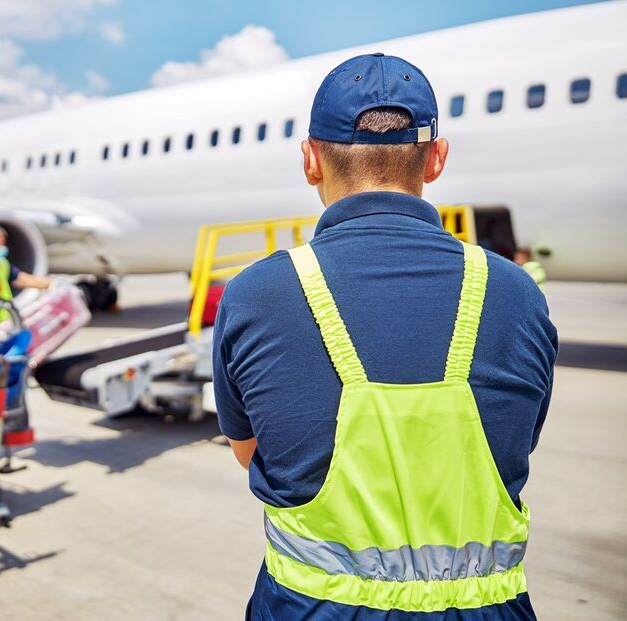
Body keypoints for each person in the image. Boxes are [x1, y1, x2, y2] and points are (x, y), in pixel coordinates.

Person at [213, 53, 557, 620]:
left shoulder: (256, 293)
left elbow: (249, 452)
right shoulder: (515, 292)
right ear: (437, 158)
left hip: (311, 610)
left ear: (310, 160)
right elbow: (517, 443)